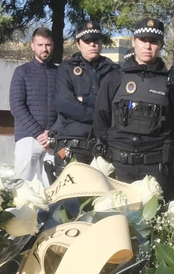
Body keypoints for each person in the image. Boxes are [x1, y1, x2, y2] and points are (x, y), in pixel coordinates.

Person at [94, 18, 174, 193]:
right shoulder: (115, 78)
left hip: (156, 168)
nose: (147, 46)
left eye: (153, 41)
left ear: (160, 45)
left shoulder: (173, 83)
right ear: (134, 41)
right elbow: (101, 119)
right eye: (143, 40)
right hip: (119, 166)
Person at [48, 20, 115, 171]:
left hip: (104, 145)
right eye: (87, 41)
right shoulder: (66, 69)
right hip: (72, 144)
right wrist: (101, 114)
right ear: (78, 44)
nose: (92, 44)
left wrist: (85, 99)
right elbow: (64, 103)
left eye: (96, 40)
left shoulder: (113, 71)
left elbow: (115, 104)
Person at [10, 27, 57, 182]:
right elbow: (17, 106)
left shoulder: (60, 73)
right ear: (32, 46)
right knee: (22, 186)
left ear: (53, 45)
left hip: (53, 138)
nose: (44, 49)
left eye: (48, 45)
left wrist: (52, 133)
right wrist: (38, 134)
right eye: (40, 45)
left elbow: (65, 106)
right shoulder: (22, 72)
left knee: (52, 187)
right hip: (28, 137)